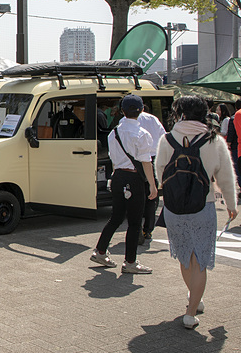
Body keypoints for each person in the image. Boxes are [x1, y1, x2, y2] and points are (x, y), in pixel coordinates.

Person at [156, 96, 238, 329]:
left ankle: (195, 297)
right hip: (204, 205)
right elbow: (226, 177)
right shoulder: (214, 140)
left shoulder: (167, 139)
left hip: (174, 207)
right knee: (200, 259)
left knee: (184, 256)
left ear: (180, 113)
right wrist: (231, 205)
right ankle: (190, 313)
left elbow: (160, 170)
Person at [91, 95, 157, 274]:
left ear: (122, 111)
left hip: (119, 176)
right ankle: (130, 262)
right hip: (134, 179)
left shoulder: (114, 133)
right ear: (142, 110)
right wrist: (152, 184)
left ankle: (100, 251)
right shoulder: (143, 134)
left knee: (116, 217)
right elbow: (146, 162)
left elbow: (113, 158)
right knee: (135, 222)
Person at [137, 106, 166, 244]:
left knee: (136, 196)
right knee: (151, 196)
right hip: (153, 158)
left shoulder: (127, 121)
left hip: (136, 161)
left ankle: (136, 229)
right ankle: (147, 230)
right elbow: (163, 137)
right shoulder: (153, 119)